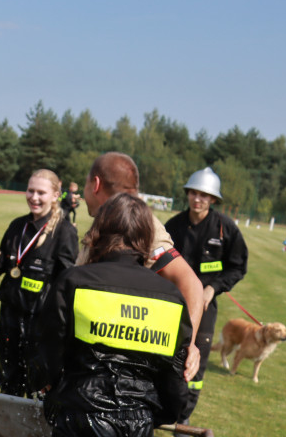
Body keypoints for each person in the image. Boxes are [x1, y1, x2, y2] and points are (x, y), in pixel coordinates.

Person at [24, 193, 192, 437]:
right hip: (137, 430)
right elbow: (175, 385)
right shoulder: (170, 298)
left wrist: (49, 390)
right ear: (146, 240)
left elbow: (45, 358)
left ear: (99, 232)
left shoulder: (75, 281)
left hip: (82, 420)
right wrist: (152, 416)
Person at [79, 152, 204, 383]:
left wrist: (189, 344)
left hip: (121, 373)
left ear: (95, 184)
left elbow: (190, 282)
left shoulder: (143, 226)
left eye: (85, 183)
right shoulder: (108, 221)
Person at [164, 167, 248, 432]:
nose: (197, 199)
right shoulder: (174, 226)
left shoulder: (226, 228)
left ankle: (185, 416)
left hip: (205, 305)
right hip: (172, 302)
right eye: (193, 193)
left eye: (204, 195)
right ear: (187, 194)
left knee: (196, 361)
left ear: (213, 199)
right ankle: (162, 408)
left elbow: (237, 266)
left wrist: (214, 288)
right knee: (166, 353)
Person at [0, 169, 78, 397]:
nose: (34, 197)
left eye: (41, 193)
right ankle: (5, 432)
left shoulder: (64, 232)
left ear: (56, 195)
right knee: (8, 383)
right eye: (30, 190)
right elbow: (3, 267)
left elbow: (68, 282)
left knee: (39, 390)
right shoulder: (18, 226)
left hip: (41, 324)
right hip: (10, 318)